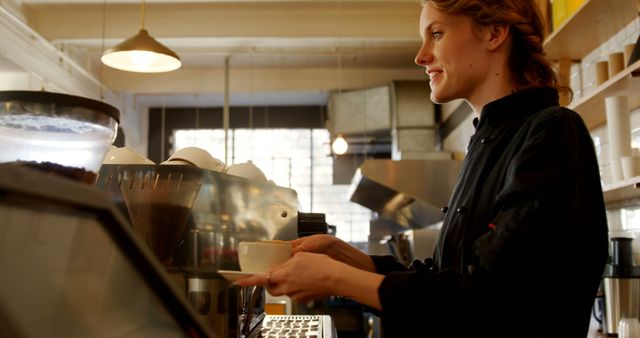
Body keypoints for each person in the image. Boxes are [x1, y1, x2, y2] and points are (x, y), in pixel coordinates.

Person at [237, 0, 609, 336]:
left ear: (494, 33)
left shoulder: (552, 131)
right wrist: (343, 255)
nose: (420, 56)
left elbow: (489, 297)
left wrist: (337, 278)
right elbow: (448, 278)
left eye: (436, 33)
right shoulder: (488, 138)